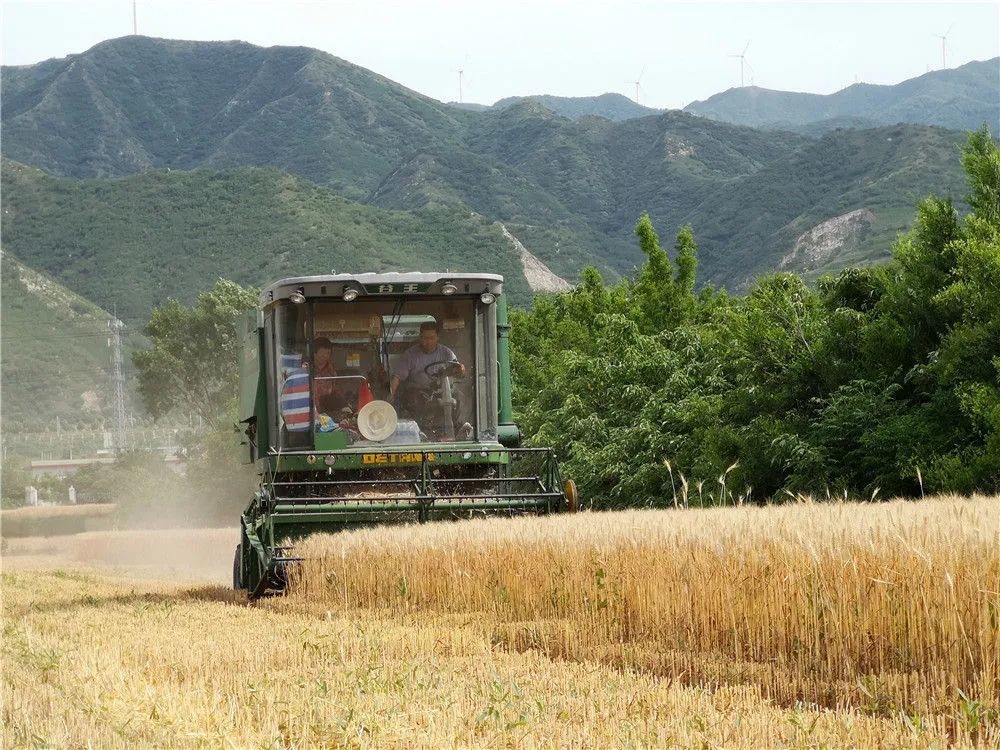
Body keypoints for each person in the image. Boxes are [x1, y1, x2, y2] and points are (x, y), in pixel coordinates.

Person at [390, 321, 465, 398]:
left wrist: (460, 370)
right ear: (420, 337)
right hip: (417, 394)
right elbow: (397, 377)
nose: (428, 342)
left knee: (459, 396)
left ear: (437, 337)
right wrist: (391, 396)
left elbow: (458, 371)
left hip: (441, 392)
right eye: (425, 338)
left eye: (432, 338)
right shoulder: (409, 355)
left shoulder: (447, 353)